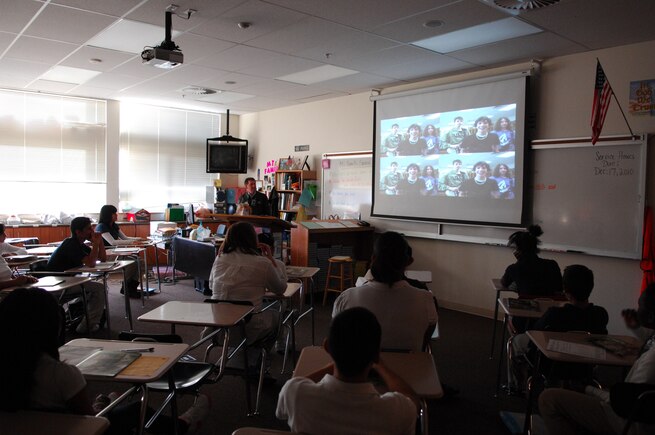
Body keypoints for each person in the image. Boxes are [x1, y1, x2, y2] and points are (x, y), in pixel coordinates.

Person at [0, 287, 209, 434]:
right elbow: (90, 421)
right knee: (134, 409)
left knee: (108, 400)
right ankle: (183, 424)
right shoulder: (61, 374)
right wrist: (99, 410)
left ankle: (105, 402)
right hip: (74, 429)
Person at [276, 307, 419, 434]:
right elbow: (411, 399)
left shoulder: (296, 394)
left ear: (327, 347)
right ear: (376, 354)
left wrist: (335, 361)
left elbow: (292, 389)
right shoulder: (396, 412)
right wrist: (380, 365)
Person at [538, 283, 655, 435]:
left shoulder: (650, 362)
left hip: (628, 423)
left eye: (640, 306)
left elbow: (628, 404)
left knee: (548, 399)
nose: (637, 310)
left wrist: (588, 389)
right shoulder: (600, 313)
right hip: (636, 415)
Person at [333, 231, 437, 352]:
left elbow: (338, 340)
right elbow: (425, 342)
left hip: (361, 369)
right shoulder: (425, 299)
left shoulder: (347, 298)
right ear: (408, 261)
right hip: (408, 369)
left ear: (373, 259)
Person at [511, 265, 608, 386]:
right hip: (586, 365)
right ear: (591, 287)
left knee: (515, 341)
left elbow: (535, 334)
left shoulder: (554, 314)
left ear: (566, 291)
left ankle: (517, 385)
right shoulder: (600, 314)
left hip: (551, 364)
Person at [207, 221, 287, 365]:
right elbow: (280, 289)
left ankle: (243, 354)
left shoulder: (219, 259)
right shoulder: (263, 263)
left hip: (217, 327)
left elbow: (211, 285)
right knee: (277, 314)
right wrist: (270, 259)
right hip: (248, 328)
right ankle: (255, 358)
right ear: (253, 239)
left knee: (245, 311)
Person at [46, 216, 106, 334]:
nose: (92, 231)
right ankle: (86, 327)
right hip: (58, 284)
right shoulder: (70, 244)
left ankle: (77, 318)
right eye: (89, 229)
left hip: (70, 281)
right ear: (78, 232)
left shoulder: (79, 244)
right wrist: (95, 244)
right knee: (99, 289)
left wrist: (100, 242)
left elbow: (102, 258)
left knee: (95, 287)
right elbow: (91, 263)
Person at [501, 225, 563, 334]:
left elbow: (504, 283)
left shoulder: (514, 269)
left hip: (524, 320)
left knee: (507, 319)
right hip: (550, 319)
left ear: (518, 250)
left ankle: (517, 345)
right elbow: (559, 289)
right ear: (535, 248)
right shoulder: (552, 265)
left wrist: (519, 262)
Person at [95, 204, 142, 297]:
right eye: (114, 213)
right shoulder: (101, 226)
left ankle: (131, 288)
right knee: (133, 262)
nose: (116, 215)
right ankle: (126, 287)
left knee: (139, 261)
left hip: (116, 252)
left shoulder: (114, 225)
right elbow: (112, 242)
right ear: (108, 215)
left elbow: (125, 238)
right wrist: (133, 242)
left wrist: (138, 239)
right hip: (106, 254)